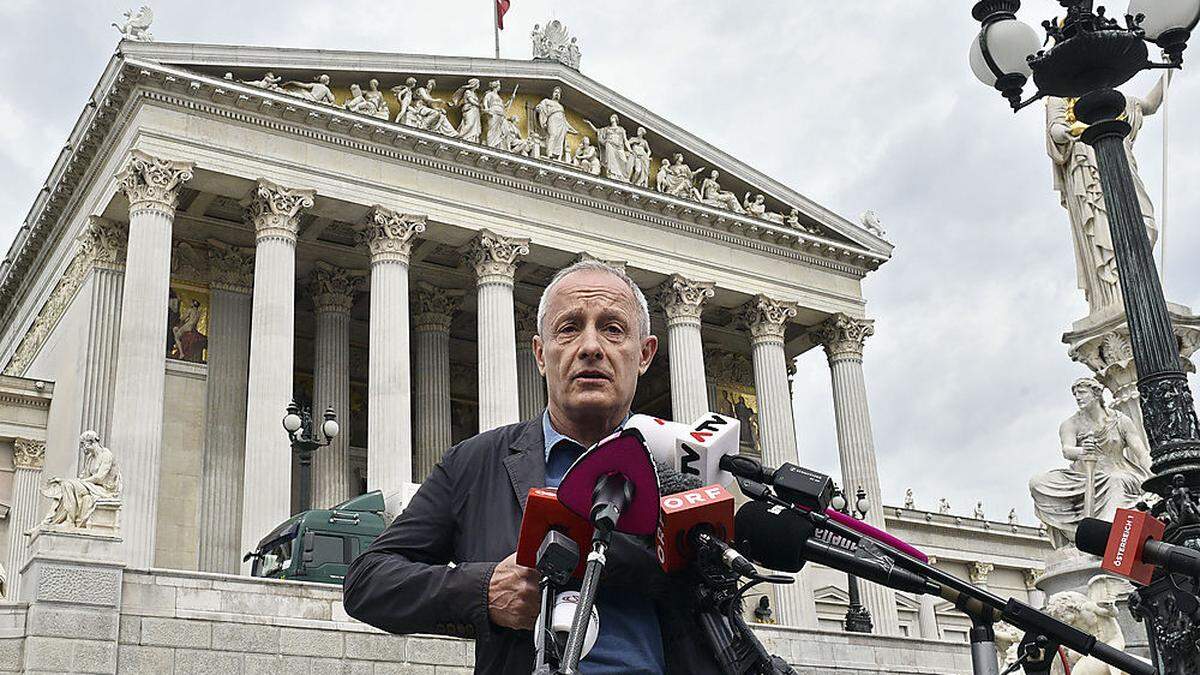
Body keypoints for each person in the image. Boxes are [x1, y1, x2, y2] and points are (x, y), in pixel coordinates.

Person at [344, 261, 722, 674]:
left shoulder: (684, 472)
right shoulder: (476, 463)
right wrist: (484, 589)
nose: (591, 347)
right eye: (569, 328)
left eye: (613, 329)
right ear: (541, 355)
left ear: (645, 354)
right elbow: (368, 580)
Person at [1029, 377, 1151, 548]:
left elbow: (1141, 452)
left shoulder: (1121, 421)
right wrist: (1082, 451)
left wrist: (1154, 476)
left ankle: (1105, 535)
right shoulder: (1071, 424)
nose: (1078, 398)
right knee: (1037, 482)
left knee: (1115, 481)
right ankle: (1082, 534)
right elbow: (1067, 450)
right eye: (1075, 395)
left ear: (1096, 394)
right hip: (1082, 476)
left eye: (1082, 393)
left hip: (1118, 472)